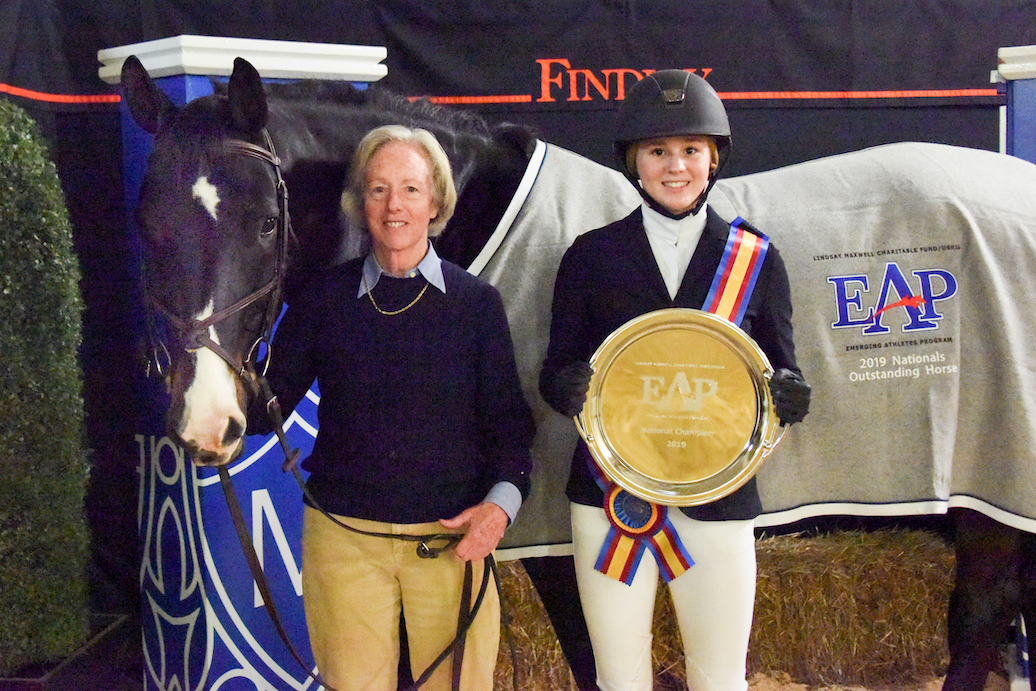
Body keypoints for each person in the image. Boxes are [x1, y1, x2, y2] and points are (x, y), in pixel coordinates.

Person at [539, 70, 811, 691]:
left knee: (719, 679)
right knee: (618, 677)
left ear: (713, 159)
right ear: (634, 161)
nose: (676, 166)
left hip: (718, 498)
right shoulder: (589, 255)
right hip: (614, 498)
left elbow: (778, 362)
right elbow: (556, 367)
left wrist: (790, 390)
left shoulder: (755, 257)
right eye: (658, 151)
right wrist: (564, 387)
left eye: (691, 150)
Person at [251, 124, 535, 691]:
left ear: (436, 202)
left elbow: (510, 428)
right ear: (360, 203)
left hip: (452, 542)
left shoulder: (476, 304)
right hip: (345, 539)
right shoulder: (322, 299)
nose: (394, 205)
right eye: (378, 189)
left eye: (410, 188)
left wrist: (498, 511)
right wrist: (216, 363)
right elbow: (266, 409)